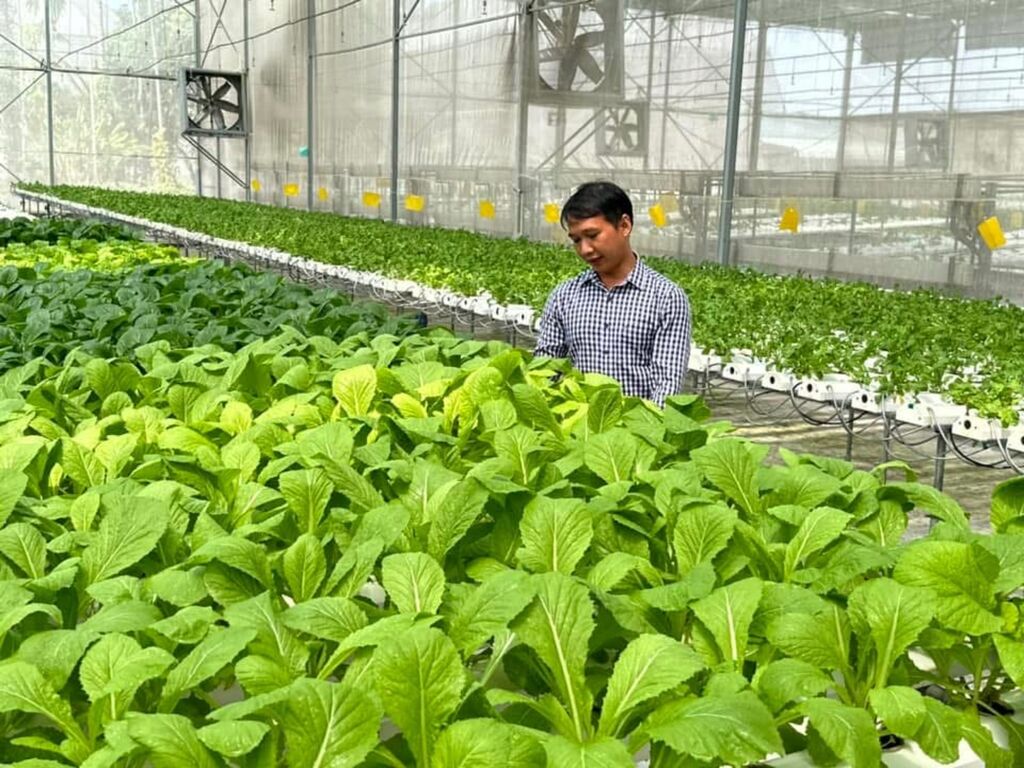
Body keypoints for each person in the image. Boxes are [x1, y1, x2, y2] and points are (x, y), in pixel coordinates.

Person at [534, 181, 692, 406]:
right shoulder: (564, 296)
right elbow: (545, 369)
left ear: (624, 226)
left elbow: (667, 383)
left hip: (639, 426)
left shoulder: (666, 298)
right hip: (579, 424)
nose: (585, 249)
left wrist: (644, 426)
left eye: (592, 235)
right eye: (576, 240)